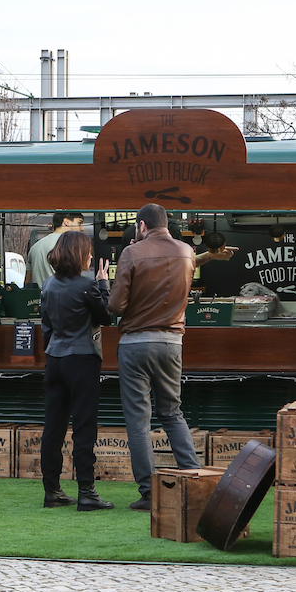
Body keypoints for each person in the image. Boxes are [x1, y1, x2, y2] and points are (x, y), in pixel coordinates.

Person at [108, 203, 200, 511]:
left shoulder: (131, 254)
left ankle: (149, 493)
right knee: (172, 413)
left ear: (142, 226)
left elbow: (116, 306)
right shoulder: (187, 252)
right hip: (172, 342)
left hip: (135, 343)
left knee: (138, 421)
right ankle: (194, 479)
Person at [39, 230, 113, 512]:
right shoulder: (87, 285)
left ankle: (52, 490)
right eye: (89, 251)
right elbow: (106, 315)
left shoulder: (47, 285)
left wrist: (53, 350)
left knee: (53, 428)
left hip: (55, 359)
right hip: (82, 358)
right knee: (84, 427)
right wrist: (104, 283)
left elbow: (46, 327)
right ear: (80, 254)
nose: (91, 255)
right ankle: (87, 492)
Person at [25, 212, 84, 286]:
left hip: (39, 296)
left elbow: (28, 282)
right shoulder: (71, 246)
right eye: (79, 223)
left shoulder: (35, 247)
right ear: (66, 222)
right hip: (63, 296)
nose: (82, 228)